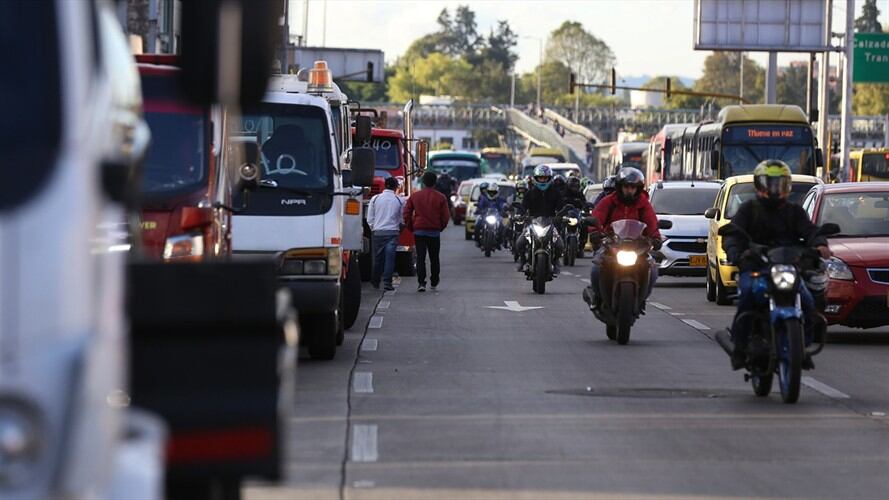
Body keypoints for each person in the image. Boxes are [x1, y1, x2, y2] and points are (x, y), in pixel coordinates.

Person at [722, 160, 831, 370]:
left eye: (779, 184)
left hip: (787, 267)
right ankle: (740, 348)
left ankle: (802, 347)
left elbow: (810, 231)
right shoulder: (748, 210)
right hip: (757, 266)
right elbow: (734, 233)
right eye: (769, 184)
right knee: (746, 296)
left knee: (808, 302)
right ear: (759, 185)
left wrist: (819, 244)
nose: (774, 189)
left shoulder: (794, 211)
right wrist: (736, 251)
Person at [583, 167, 661, 309]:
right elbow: (597, 217)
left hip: (637, 246)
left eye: (633, 187)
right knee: (596, 268)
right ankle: (597, 297)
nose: (629, 191)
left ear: (638, 188)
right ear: (619, 187)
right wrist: (594, 231)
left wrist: (655, 237)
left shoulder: (643, 204)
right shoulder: (608, 202)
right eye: (626, 187)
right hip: (611, 244)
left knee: (653, 269)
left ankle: (641, 299)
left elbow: (651, 222)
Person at [404, 171, 450, 292]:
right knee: (434, 258)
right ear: (435, 182)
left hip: (419, 231)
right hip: (434, 232)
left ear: (423, 182)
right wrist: (440, 227)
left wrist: (411, 226)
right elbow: (445, 217)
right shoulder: (441, 197)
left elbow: (406, 213)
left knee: (420, 258)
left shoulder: (415, 196)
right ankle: (434, 281)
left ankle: (421, 283)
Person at [515, 165, 565, 273]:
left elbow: (561, 208)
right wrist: (520, 214)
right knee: (519, 242)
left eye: (545, 178)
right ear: (536, 178)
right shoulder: (530, 193)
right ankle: (523, 260)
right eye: (540, 178)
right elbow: (523, 207)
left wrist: (561, 216)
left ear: (549, 178)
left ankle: (556, 261)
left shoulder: (555, 193)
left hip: (550, 223)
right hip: (532, 223)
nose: (542, 180)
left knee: (560, 245)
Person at [367, 177, 404, 291]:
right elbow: (402, 220)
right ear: (395, 187)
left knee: (377, 258)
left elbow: (370, 218)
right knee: (390, 258)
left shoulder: (375, 198)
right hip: (393, 232)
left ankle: (375, 281)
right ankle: (387, 283)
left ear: (384, 185)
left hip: (378, 232)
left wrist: (374, 228)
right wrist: (398, 229)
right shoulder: (399, 200)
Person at [475, 183, 508, 248]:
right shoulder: (484, 198)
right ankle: (477, 241)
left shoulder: (500, 199)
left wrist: (504, 209)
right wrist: (478, 208)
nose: (492, 194)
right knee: (477, 224)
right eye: (490, 192)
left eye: (493, 192)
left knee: (502, 226)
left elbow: (503, 205)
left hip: (496, 216)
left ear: (497, 192)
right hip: (485, 216)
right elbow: (480, 205)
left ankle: (499, 242)